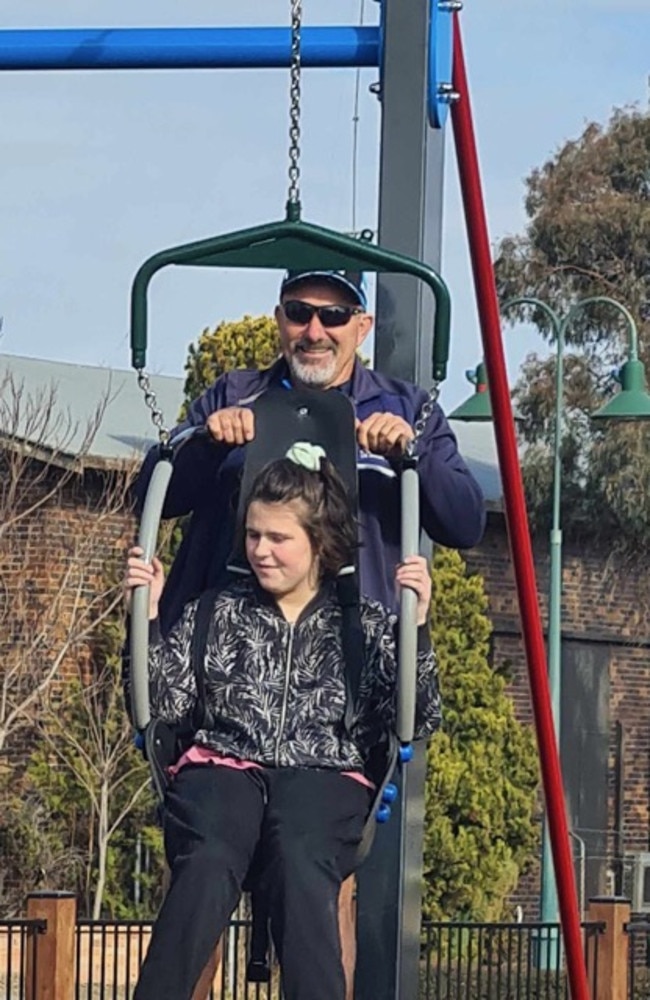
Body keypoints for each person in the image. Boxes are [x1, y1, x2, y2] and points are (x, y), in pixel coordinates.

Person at [125, 455, 440, 1000]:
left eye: (278, 537)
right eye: (252, 535)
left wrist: (417, 628)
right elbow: (163, 702)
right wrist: (147, 617)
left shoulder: (360, 625)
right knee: (209, 856)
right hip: (224, 765)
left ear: (319, 542)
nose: (260, 551)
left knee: (301, 859)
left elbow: (419, 714)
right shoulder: (216, 613)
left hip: (324, 771)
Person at [135, 268, 486, 637]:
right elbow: (152, 496)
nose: (314, 332)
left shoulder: (406, 408)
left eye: (333, 316)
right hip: (231, 649)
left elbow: (464, 525)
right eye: (299, 313)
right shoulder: (234, 395)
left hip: (355, 651)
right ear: (279, 319)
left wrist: (411, 457)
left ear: (362, 326)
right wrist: (209, 444)